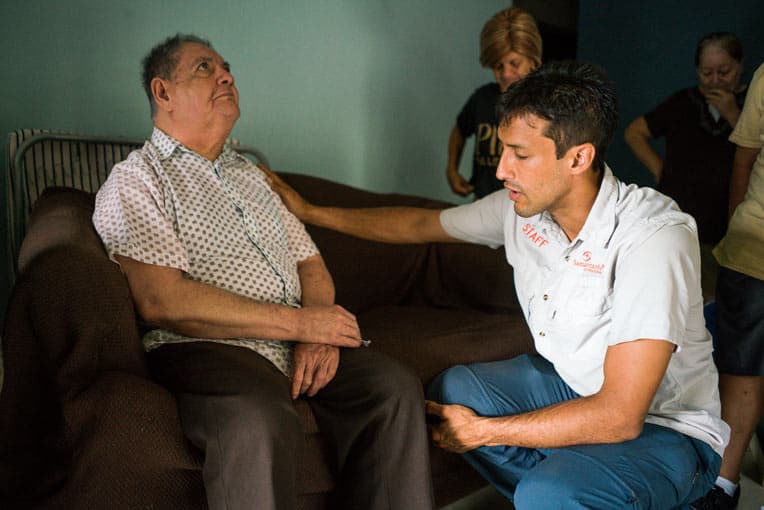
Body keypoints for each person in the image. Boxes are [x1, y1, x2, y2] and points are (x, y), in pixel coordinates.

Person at [264, 60, 730, 509]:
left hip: (665, 427)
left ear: (579, 157)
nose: (502, 169)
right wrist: (311, 212)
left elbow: (622, 414)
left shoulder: (651, 236)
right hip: (577, 389)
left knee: (549, 492)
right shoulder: (519, 209)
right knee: (457, 391)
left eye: (521, 154)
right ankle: (572, 488)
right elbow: (420, 225)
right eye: (504, 149)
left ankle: (593, 493)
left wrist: (487, 432)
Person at [92, 34, 434, 510]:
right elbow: (160, 299)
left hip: (293, 337)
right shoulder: (139, 179)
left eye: (226, 68)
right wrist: (301, 324)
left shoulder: (251, 175)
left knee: (392, 388)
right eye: (204, 69)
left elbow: (309, 262)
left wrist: (317, 333)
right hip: (206, 345)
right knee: (256, 418)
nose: (226, 75)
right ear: (162, 92)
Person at [691, 62, 764, 510]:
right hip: (754, 246)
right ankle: (722, 484)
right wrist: (737, 224)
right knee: (739, 369)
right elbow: (745, 154)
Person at [624, 32, 746, 301]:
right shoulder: (683, 102)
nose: (714, 80)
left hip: (728, 228)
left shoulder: (751, 103)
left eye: (723, 72)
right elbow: (634, 132)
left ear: (740, 67)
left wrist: (733, 114)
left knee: (720, 303)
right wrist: (660, 170)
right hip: (679, 220)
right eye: (706, 73)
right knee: (675, 297)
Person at [446, 7, 542, 199]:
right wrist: (452, 170)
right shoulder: (482, 98)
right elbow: (460, 130)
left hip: (524, 210)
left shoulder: (546, 104)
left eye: (514, 64)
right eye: (498, 66)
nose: (506, 74)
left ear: (532, 60)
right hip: (481, 204)